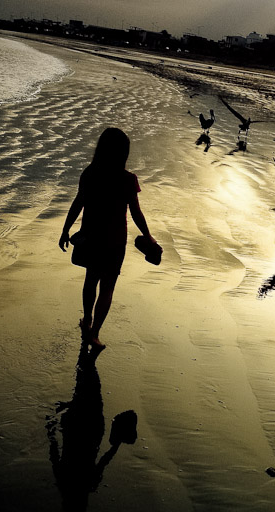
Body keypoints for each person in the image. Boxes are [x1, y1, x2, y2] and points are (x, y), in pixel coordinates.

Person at [59, 127, 159, 351]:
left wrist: (65, 229)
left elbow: (78, 203)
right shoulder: (127, 180)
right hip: (114, 241)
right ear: (123, 153)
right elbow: (136, 213)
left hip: (92, 237)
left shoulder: (90, 173)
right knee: (108, 288)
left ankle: (87, 319)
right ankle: (94, 334)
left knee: (90, 280)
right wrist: (149, 236)